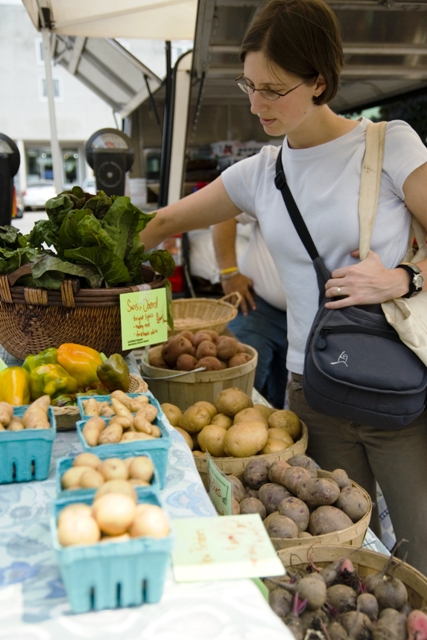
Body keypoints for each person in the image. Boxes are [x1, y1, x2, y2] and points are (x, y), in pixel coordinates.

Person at [141, 0, 427, 573]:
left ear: (319, 80)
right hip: (311, 391)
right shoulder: (260, 172)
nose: (256, 104)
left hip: (396, 386)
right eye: (249, 84)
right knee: (330, 557)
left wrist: (404, 276)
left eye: (274, 89)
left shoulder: (389, 145)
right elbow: (164, 223)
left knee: (420, 548)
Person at [212, 216, 288, 408]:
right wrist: (229, 273)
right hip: (256, 307)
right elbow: (224, 216)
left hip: (311, 318)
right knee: (235, 394)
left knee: (286, 405)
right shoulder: (272, 186)